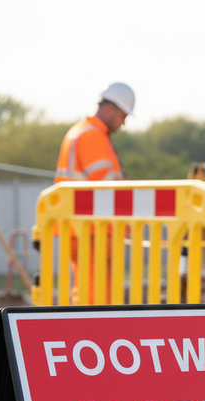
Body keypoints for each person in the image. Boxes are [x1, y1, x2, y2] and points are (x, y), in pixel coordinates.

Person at [55, 83, 135, 302]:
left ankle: (89, 333)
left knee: (93, 293)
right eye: (123, 115)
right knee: (94, 296)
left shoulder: (85, 132)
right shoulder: (92, 136)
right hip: (92, 231)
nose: (124, 122)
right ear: (109, 109)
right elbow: (107, 185)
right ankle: (87, 334)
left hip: (85, 229)